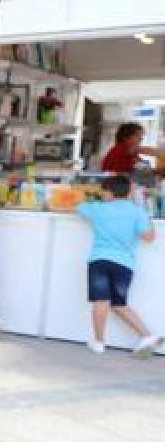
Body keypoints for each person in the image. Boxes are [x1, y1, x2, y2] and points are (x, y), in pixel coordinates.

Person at [76, 176, 161, 356]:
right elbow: (149, 237)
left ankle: (99, 341)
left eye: (102, 191)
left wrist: (94, 200)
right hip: (124, 264)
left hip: (99, 260)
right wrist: (147, 218)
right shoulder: (137, 212)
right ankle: (147, 335)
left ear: (108, 193)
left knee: (101, 301)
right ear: (129, 193)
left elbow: (79, 207)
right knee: (118, 303)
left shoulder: (97, 208)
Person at [101, 122, 165, 174]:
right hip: (113, 183)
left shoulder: (133, 154)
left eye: (141, 135)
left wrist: (159, 171)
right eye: (137, 135)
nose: (141, 138)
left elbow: (145, 170)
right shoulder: (120, 148)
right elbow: (146, 150)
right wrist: (161, 154)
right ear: (125, 138)